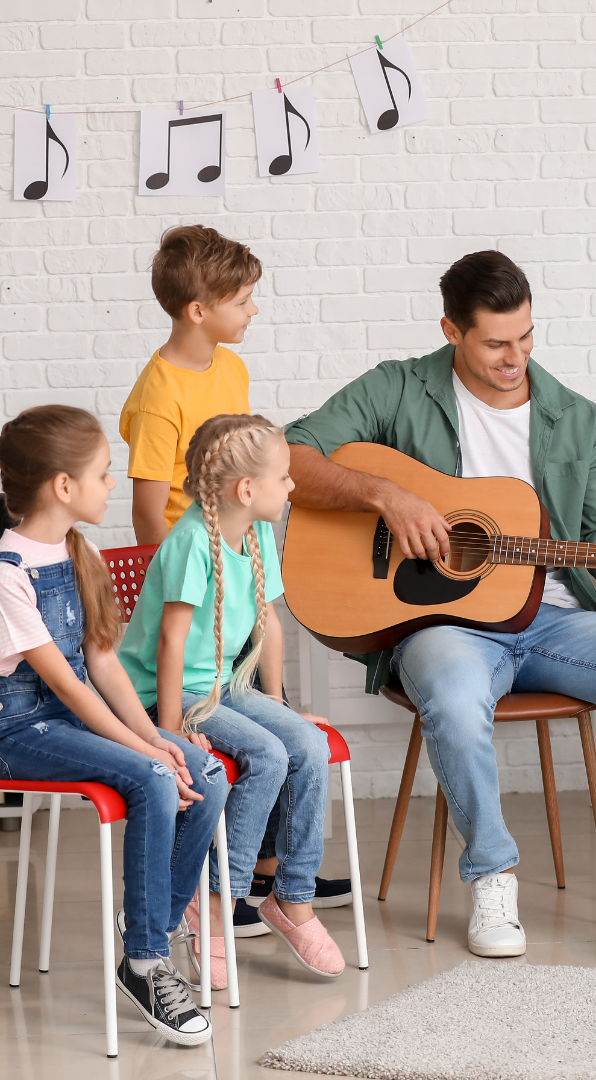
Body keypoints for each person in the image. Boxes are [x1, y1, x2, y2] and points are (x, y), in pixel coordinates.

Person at [284, 250, 596, 978]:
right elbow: (287, 457)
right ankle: (493, 877)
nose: (516, 357)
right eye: (496, 343)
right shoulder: (397, 389)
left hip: (556, 619)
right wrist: (387, 496)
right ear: (451, 331)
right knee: (451, 689)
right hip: (442, 627)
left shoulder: (576, 419)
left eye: (527, 338)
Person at [0, 405, 227, 1045]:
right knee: (155, 776)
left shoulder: (80, 550)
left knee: (203, 769)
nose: (112, 485)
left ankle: (147, 923)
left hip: (71, 717)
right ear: (63, 487)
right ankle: (148, 961)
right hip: (19, 732)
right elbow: (65, 684)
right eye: (103, 474)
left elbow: (102, 661)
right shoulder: (8, 574)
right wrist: (149, 751)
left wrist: (158, 735)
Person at [119, 414, 344, 987]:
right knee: (268, 756)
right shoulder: (191, 540)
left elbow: (268, 619)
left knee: (306, 743)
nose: (292, 486)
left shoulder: (258, 532)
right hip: (168, 696)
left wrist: (281, 704)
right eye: (286, 478)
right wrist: (168, 732)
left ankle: (291, 898)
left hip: (226, 686)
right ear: (248, 489)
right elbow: (171, 643)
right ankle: (216, 902)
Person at [120, 224, 257, 546]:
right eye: (241, 302)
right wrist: (168, 583)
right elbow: (147, 513)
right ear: (198, 311)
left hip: (233, 546)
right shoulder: (157, 400)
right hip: (188, 556)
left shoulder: (232, 366)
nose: (253, 310)